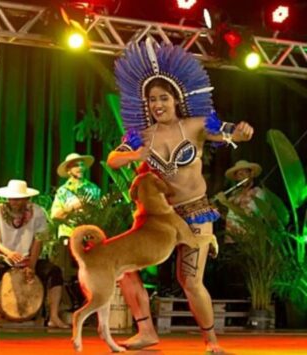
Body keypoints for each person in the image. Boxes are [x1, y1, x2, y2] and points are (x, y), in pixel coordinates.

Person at [107, 39, 254, 353]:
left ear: (176, 98)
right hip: (157, 219)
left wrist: (240, 132)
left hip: (194, 212)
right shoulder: (140, 135)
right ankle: (146, 331)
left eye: (163, 97)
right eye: (151, 100)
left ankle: (211, 342)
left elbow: (229, 132)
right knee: (122, 267)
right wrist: (136, 156)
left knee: (189, 279)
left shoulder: (198, 124)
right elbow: (113, 159)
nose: (157, 104)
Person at [0, 179, 69, 329]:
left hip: (29, 258)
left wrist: (31, 265)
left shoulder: (37, 212)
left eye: (17, 199)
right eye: (11, 198)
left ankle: (54, 317)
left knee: (54, 272)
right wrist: (8, 253)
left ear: (26, 199)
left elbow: (38, 240)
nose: (13, 202)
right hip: (4, 257)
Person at [50, 152, 101, 239]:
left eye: (81, 165)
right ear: (68, 170)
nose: (80, 168)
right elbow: (55, 216)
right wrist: (73, 207)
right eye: (76, 165)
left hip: (88, 235)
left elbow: (100, 213)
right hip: (68, 235)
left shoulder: (94, 188)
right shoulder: (62, 191)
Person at [222, 160, 264, 239]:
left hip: (249, 241)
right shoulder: (234, 194)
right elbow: (229, 216)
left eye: (244, 173)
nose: (241, 176)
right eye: (238, 175)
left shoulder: (258, 192)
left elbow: (248, 215)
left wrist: (225, 202)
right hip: (231, 239)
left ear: (251, 174)